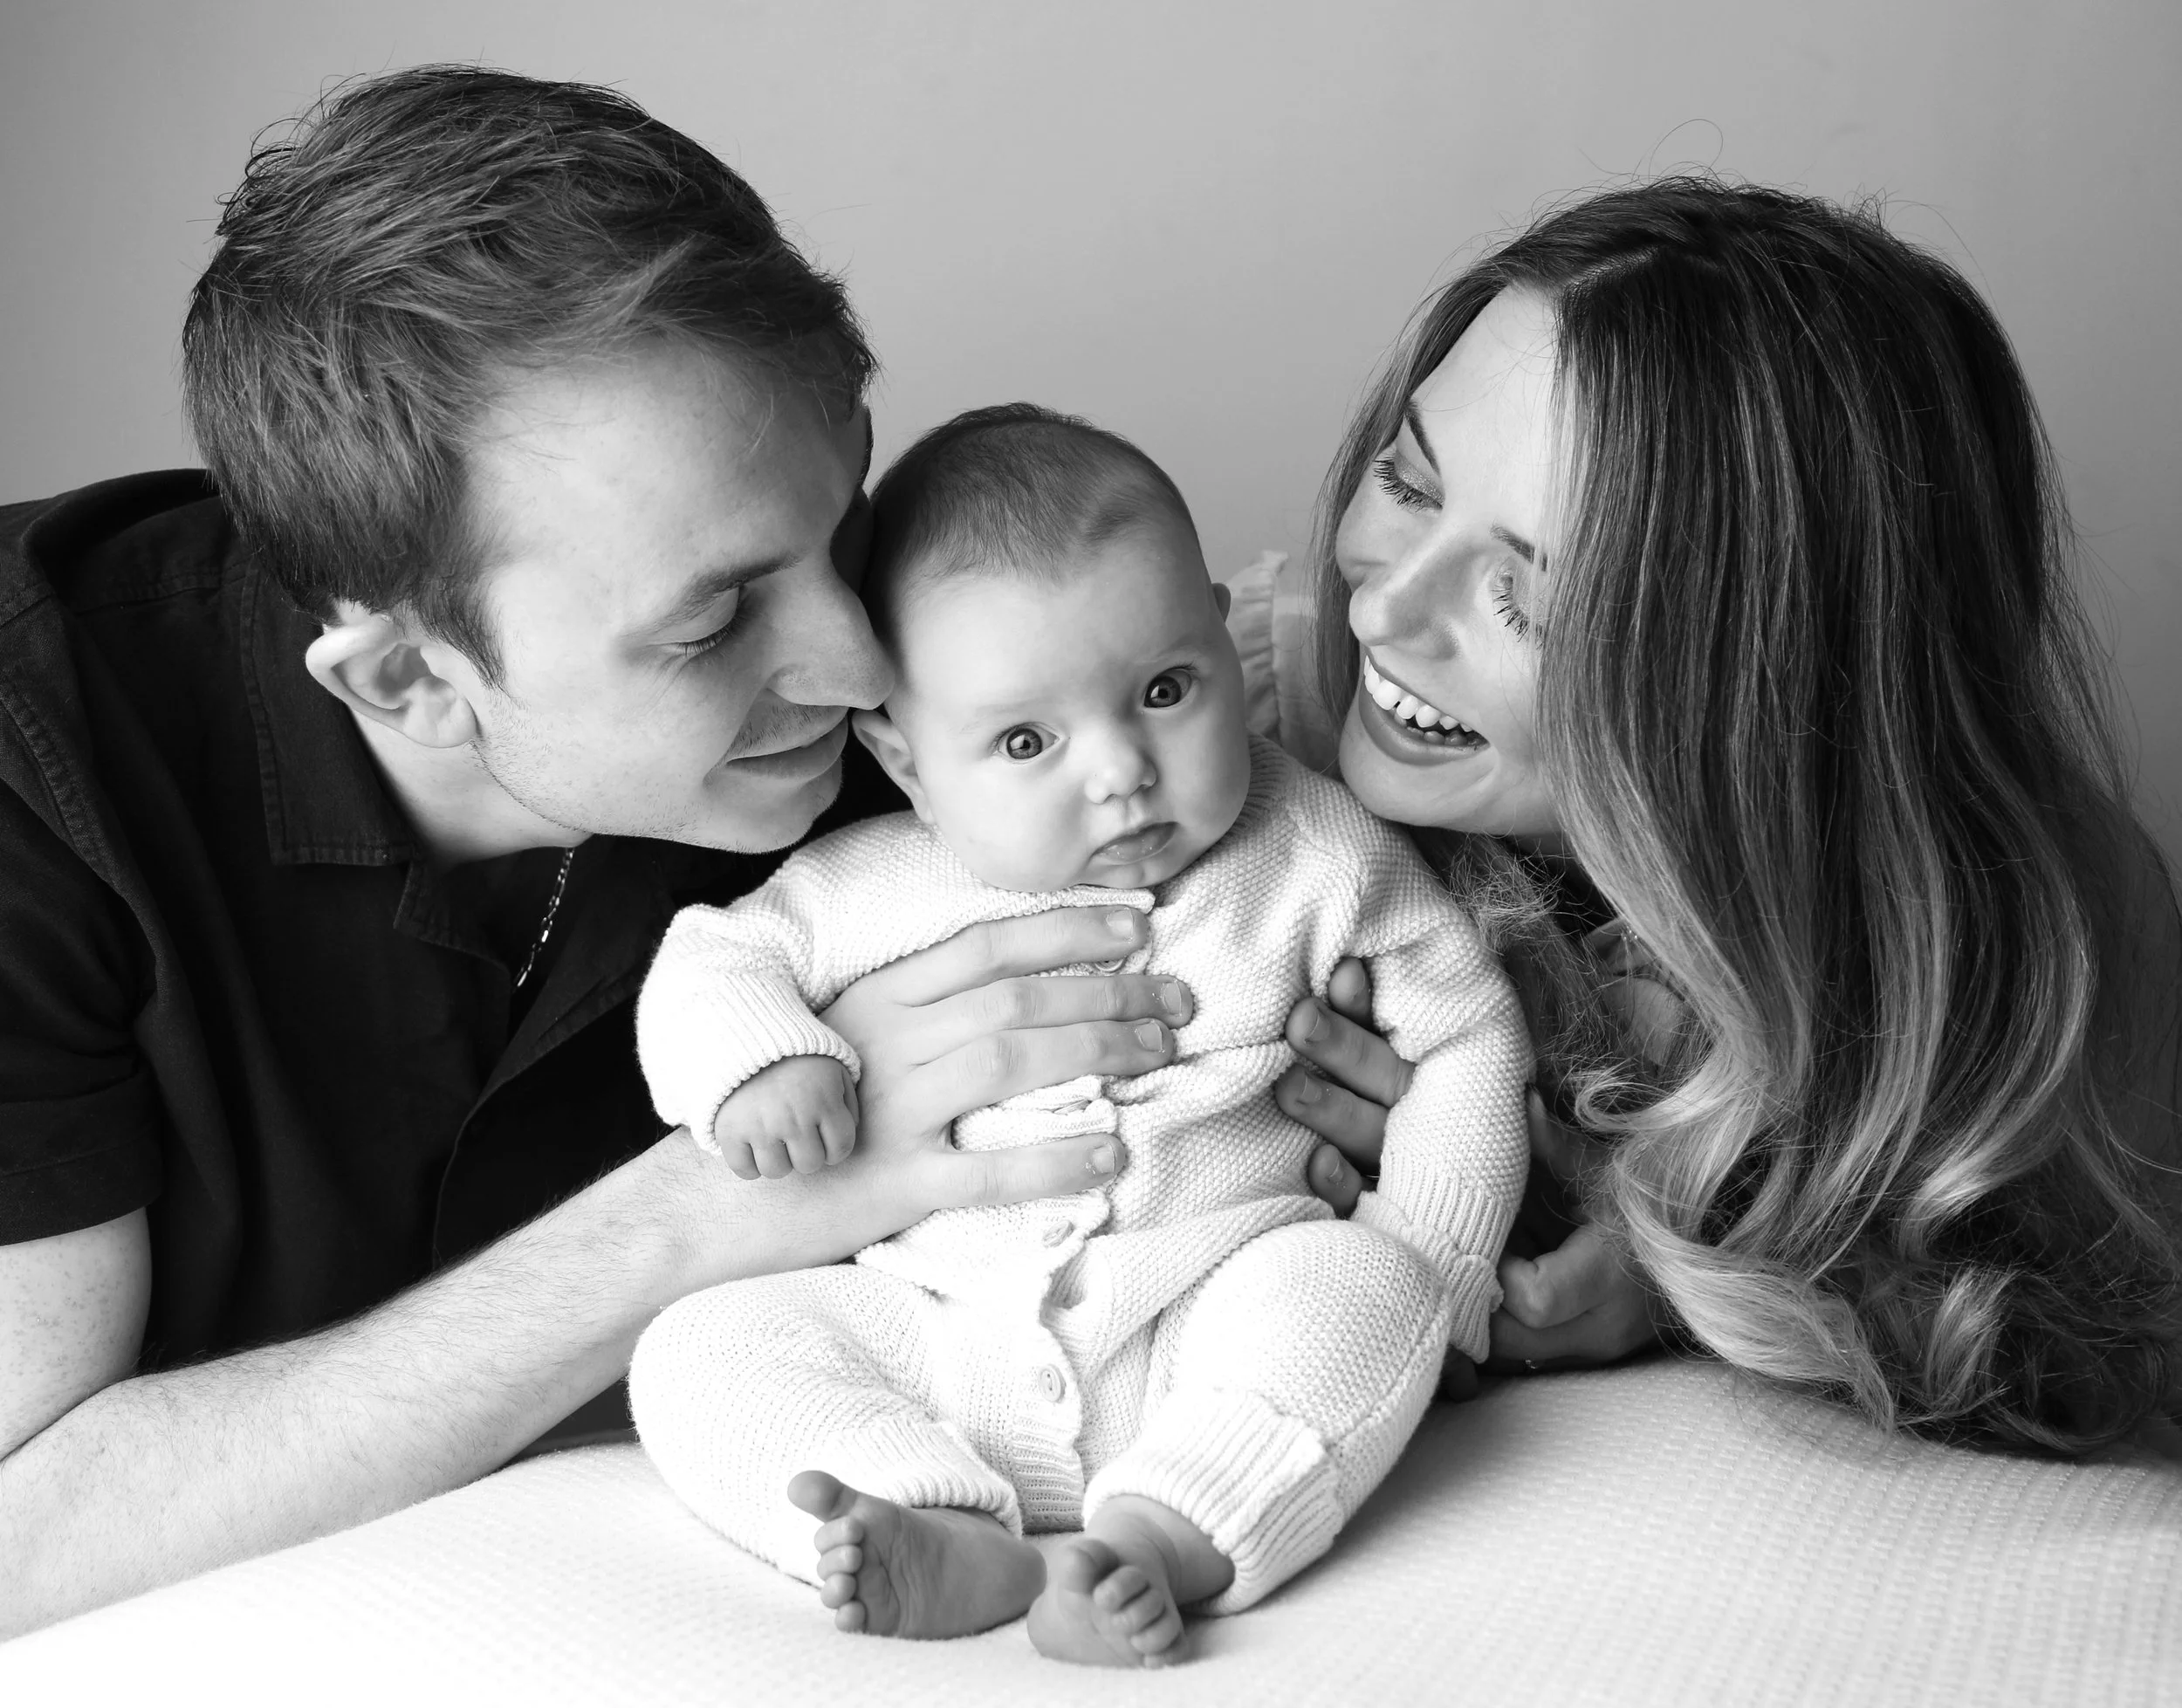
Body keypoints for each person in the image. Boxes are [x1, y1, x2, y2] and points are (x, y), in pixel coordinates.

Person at [0, 70, 1268, 1637]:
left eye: (844, 516)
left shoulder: (907, 687)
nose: (864, 664)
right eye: (716, 622)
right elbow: (23, 1524)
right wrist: (700, 1211)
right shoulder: (36, 777)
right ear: (410, 678)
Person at [1268, 178, 2182, 1451]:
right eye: (1411, 486)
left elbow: (2085, 1377)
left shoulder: (2048, 948)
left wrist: (1686, 1276)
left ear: (1761, 690)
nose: (1384, 610)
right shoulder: (1209, 713)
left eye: (1531, 597)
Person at [625, 405, 1528, 1664]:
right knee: (696, 1352)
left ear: (1222, 633)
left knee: (1375, 1292)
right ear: (906, 757)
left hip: (1215, 1303)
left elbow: (1465, 1036)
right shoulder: (874, 882)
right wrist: (761, 1066)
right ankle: (926, 1517)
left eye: (1164, 690)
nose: (1119, 772)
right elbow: (716, 957)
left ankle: (1159, 1535)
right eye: (1025, 741)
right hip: (940, 1331)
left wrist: (1438, 1241)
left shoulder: (1315, 853)